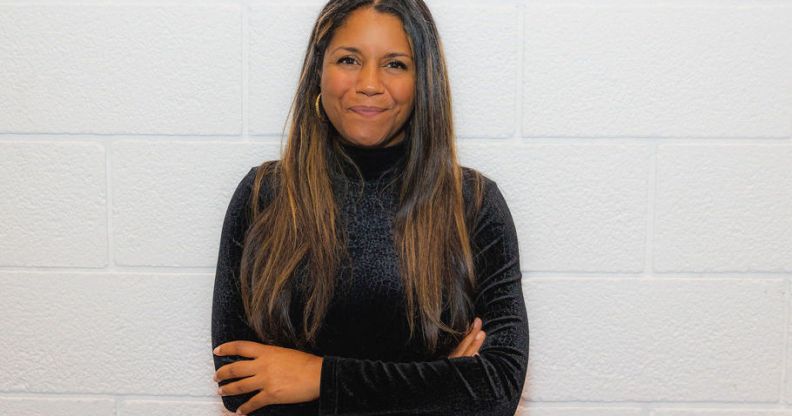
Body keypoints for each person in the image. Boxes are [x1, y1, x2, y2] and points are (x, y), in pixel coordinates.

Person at [210, 0, 529, 415]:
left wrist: (319, 377)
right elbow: (241, 388)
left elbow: (497, 388)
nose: (369, 83)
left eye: (395, 64)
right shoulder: (264, 197)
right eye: (349, 59)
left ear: (422, 81)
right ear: (317, 73)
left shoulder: (473, 204)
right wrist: (436, 383)